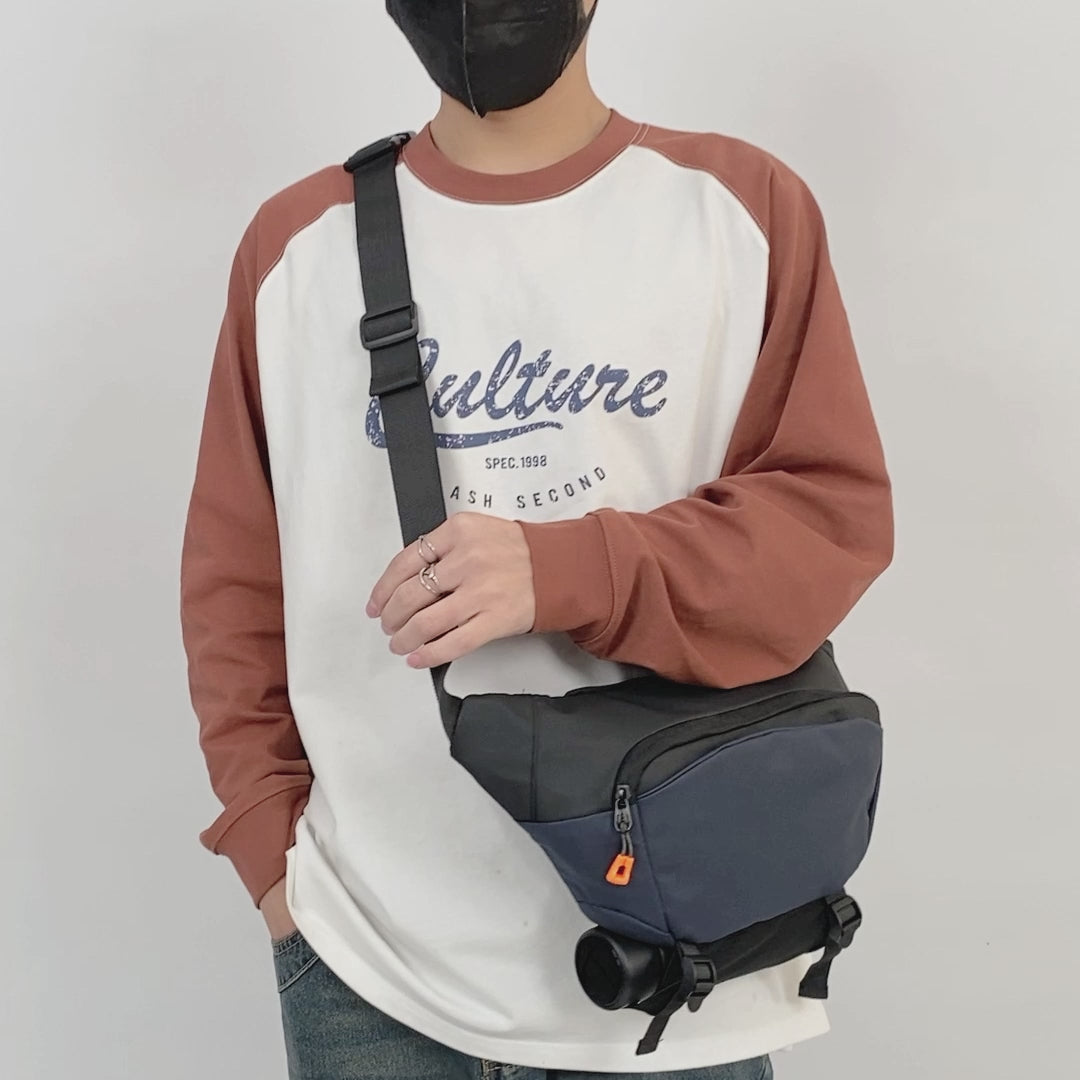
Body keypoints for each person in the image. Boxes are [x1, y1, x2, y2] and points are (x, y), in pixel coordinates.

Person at [179, 2, 894, 1077]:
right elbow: (236, 579)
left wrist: (564, 570)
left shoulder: (737, 209)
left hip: (685, 957)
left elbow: (828, 525)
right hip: (371, 959)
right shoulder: (299, 246)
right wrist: (270, 852)